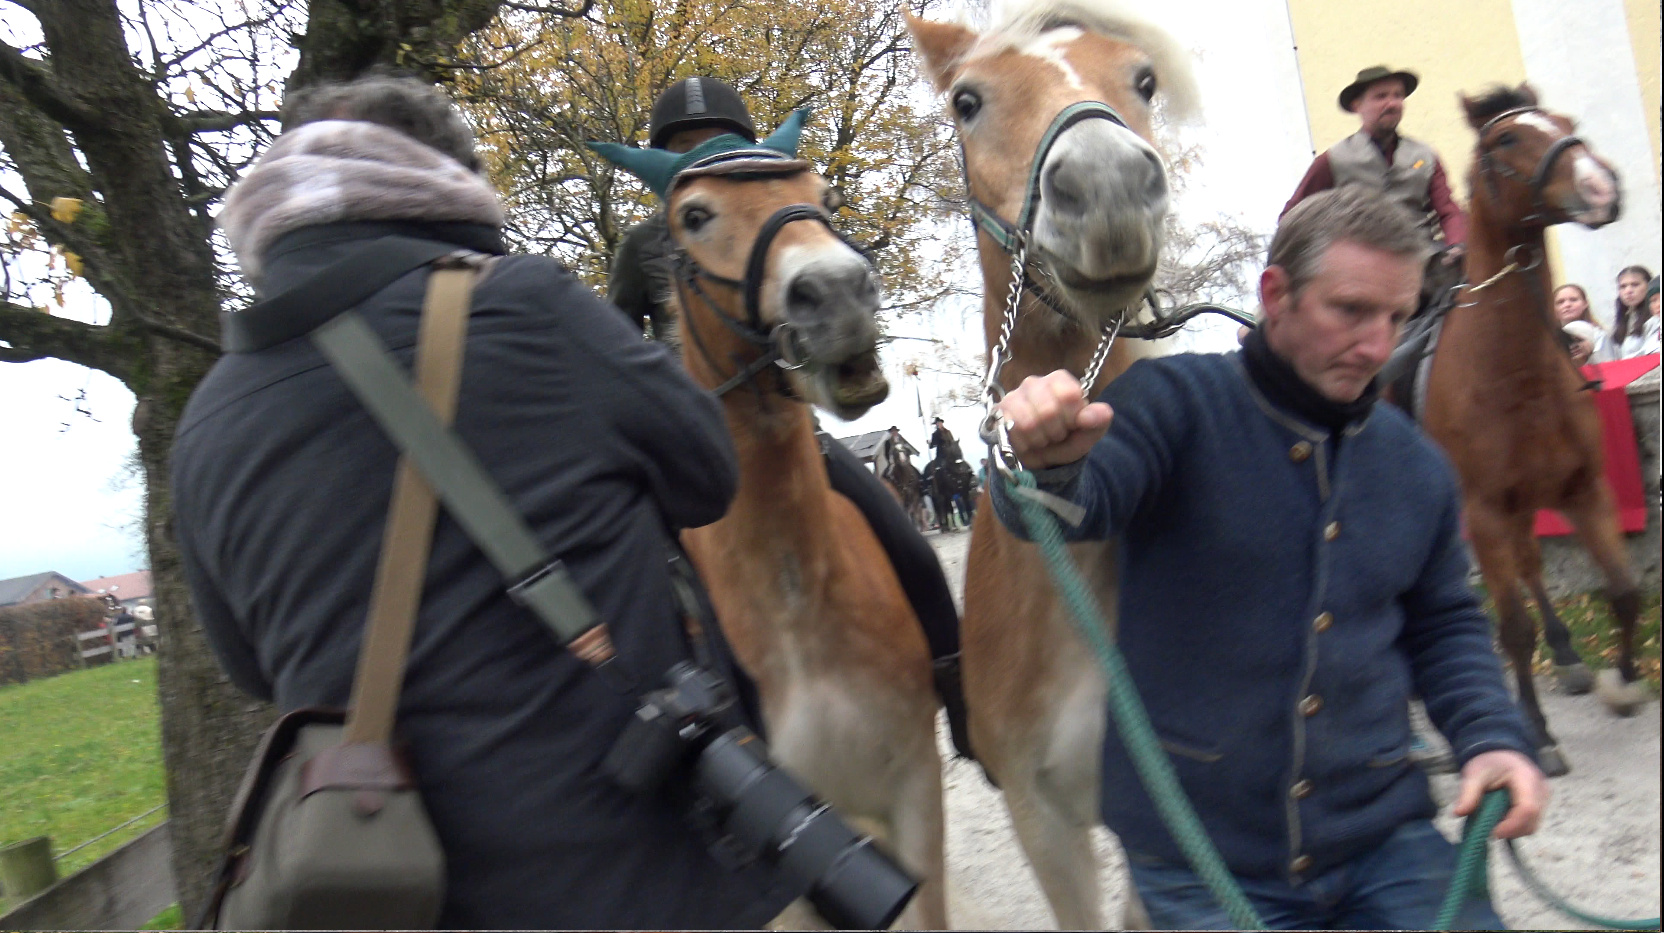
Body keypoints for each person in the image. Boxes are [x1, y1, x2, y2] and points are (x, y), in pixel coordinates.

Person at [172, 74, 793, 929]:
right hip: (634, 877)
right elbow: (706, 475)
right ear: (445, 183)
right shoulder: (527, 302)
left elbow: (249, 666)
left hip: (394, 886)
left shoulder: (204, 421)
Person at [990, 187, 1545, 930]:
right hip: (1201, 856)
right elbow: (1078, 501)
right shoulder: (1177, 401)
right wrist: (1045, 458)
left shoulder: (1417, 466)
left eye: (1397, 317)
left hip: (1387, 839)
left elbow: (1446, 624)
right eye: (1350, 310)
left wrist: (1491, 737)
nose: (1378, 346)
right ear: (1275, 294)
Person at [605, 77, 973, 759]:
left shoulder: (781, 218)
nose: (701, 156)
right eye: (683, 149)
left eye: (715, 143)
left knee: (908, 542)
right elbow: (617, 335)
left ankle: (955, 685)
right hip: (686, 445)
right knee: (627, 583)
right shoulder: (643, 246)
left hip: (786, 425)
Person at [1283, 67, 1467, 264]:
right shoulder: (1333, 160)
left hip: (1423, 264)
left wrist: (1456, 245)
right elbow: (1292, 216)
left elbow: (1448, 211)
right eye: (1381, 97)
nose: (1392, 103)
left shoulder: (1425, 156)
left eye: (1398, 96)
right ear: (1357, 106)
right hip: (1360, 269)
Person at [1553, 283, 1609, 365]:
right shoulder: (1550, 339)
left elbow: (1608, 363)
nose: (1567, 305)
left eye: (1573, 300)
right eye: (1560, 302)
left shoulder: (1599, 334)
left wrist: (1591, 352)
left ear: (1585, 303)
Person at [1610, 265, 1657, 359]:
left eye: (1635, 285)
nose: (1628, 291)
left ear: (1649, 286)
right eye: (1623, 286)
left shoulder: (1656, 318)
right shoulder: (1625, 320)